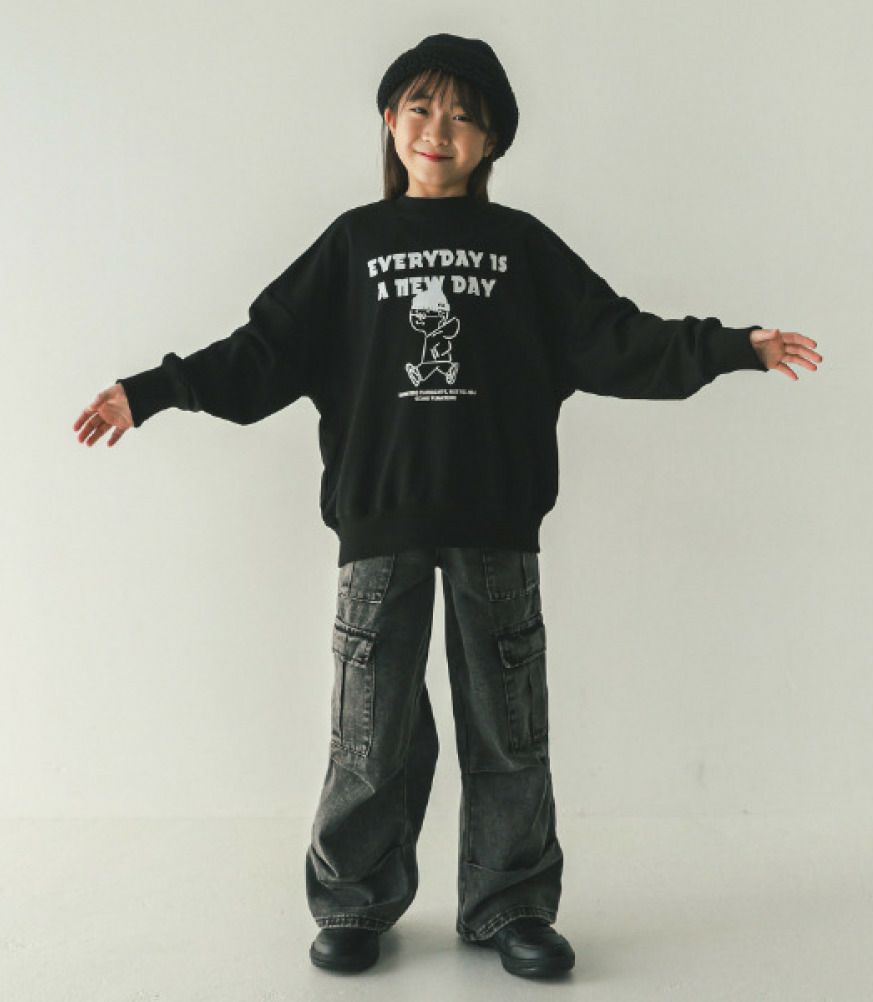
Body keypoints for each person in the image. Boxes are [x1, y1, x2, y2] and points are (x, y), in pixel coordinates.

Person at [73, 32, 822, 980]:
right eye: (422, 108)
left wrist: (730, 346)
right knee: (369, 728)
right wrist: (151, 392)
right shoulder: (353, 243)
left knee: (508, 727)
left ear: (492, 141)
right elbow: (262, 352)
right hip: (380, 522)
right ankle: (353, 900)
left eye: (465, 117)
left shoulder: (522, 247)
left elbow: (614, 336)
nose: (440, 129)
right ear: (391, 120)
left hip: (494, 522)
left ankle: (512, 904)